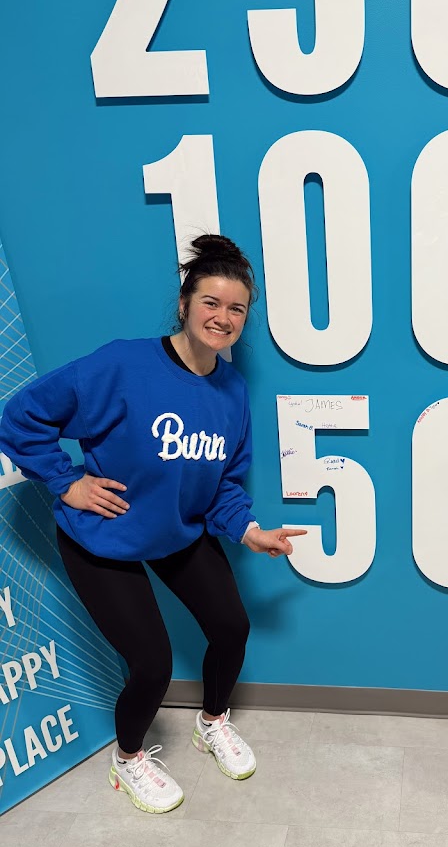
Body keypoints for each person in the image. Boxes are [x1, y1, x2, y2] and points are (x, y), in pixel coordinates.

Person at [0, 234, 306, 814]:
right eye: (211, 302)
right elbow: (21, 418)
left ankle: (212, 723)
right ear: (185, 304)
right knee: (153, 664)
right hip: (103, 537)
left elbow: (222, 485)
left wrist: (248, 531)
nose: (223, 317)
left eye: (237, 308)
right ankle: (129, 758)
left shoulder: (231, 392)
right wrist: (67, 482)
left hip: (175, 531)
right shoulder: (123, 365)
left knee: (232, 627)